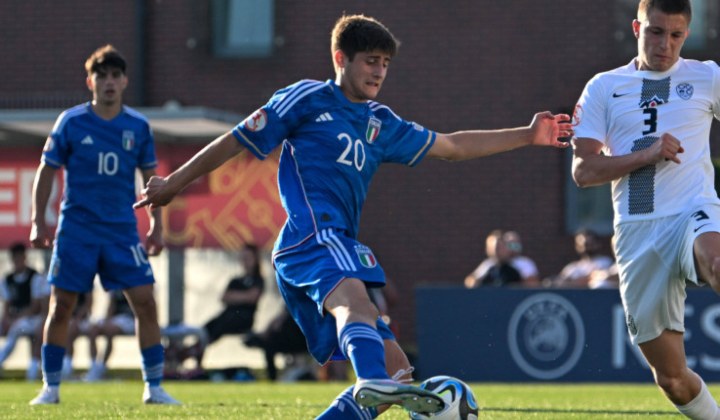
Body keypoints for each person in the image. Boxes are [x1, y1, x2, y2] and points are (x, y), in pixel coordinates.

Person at [134, 14, 572, 417]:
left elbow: (452, 146)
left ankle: (372, 386)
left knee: (398, 370)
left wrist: (528, 135)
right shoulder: (306, 98)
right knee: (358, 309)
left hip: (337, 242)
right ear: (341, 59)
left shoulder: (381, 121)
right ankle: (368, 381)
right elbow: (233, 141)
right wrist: (173, 184)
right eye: (370, 61)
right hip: (310, 237)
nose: (379, 71)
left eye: (385, 63)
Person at [571, 1, 720, 417]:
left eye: (675, 36)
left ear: (685, 36)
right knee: (671, 378)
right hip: (638, 233)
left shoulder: (707, 77)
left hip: (694, 211)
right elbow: (583, 171)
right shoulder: (603, 86)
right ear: (637, 27)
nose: (665, 45)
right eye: (655, 32)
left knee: (717, 260)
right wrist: (648, 154)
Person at [29, 45, 179, 405]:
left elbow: (151, 178)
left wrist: (156, 226)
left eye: (115, 75)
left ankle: (154, 387)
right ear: (90, 81)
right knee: (61, 305)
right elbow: (46, 170)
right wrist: (39, 221)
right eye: (102, 76)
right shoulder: (71, 122)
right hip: (76, 229)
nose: (109, 82)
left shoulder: (138, 126)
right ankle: (50, 387)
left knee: (145, 302)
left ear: (125, 81)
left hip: (120, 231)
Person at [169, 243, 264, 372]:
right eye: (243, 258)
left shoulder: (258, 280)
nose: (245, 262)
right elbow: (225, 298)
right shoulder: (236, 280)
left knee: (218, 328)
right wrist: (243, 296)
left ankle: (187, 353)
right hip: (227, 315)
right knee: (206, 329)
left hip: (243, 319)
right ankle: (193, 357)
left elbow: (252, 297)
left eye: (248, 258)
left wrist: (236, 297)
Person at [0, 242, 50, 380]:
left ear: (25, 257)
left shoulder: (35, 277)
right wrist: (5, 319)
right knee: (12, 327)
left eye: (20, 257)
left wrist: (14, 319)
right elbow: (7, 304)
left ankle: (31, 371)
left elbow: (35, 307)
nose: (18, 261)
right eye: (15, 258)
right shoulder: (7, 280)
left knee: (17, 328)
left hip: (33, 319)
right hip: (16, 319)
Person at [83, 290, 136, 382]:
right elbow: (111, 306)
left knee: (110, 331)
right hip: (115, 319)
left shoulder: (137, 284)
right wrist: (107, 320)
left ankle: (102, 367)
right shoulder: (115, 285)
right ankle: (94, 366)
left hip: (130, 319)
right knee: (93, 330)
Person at [465, 230, 540, 288]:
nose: (496, 251)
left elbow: (532, 285)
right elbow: (471, 280)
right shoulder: (488, 265)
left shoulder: (523, 263)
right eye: (494, 248)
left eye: (500, 247)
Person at [549, 229, 614, 288]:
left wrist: (575, 281)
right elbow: (561, 282)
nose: (586, 247)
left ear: (598, 244)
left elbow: (609, 277)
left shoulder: (606, 262)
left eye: (589, 244)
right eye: (582, 245)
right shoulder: (572, 268)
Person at [61, 291, 93, 379]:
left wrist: (77, 319)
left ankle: (94, 368)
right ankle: (65, 367)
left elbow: (88, 303)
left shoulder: (86, 281)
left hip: (82, 320)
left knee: (93, 331)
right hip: (67, 319)